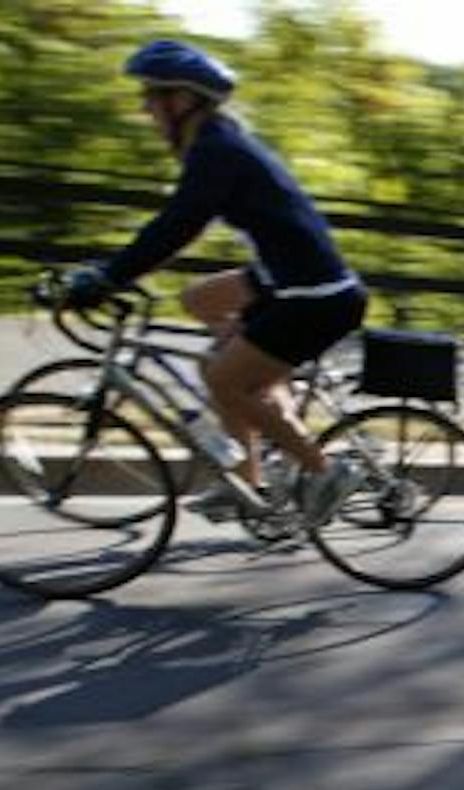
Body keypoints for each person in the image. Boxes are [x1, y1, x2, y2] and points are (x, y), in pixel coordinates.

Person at [60, 39, 368, 525]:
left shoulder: (217, 151)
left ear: (182, 100)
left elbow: (178, 225)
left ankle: (324, 471)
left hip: (316, 296)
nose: (145, 109)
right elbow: (175, 223)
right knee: (198, 303)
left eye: (151, 97)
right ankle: (250, 471)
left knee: (222, 378)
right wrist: (112, 271)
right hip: (283, 279)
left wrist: (109, 276)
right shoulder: (215, 142)